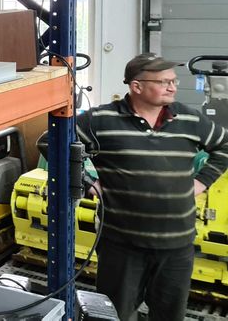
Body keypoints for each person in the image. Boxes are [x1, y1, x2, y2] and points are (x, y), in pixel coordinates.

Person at [75, 53, 228, 320]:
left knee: (169, 315)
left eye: (174, 81)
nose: (173, 87)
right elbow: (51, 143)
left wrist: (201, 182)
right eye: (164, 82)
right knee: (116, 315)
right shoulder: (100, 119)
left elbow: (224, 146)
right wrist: (87, 182)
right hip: (121, 246)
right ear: (137, 86)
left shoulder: (190, 119)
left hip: (176, 246)